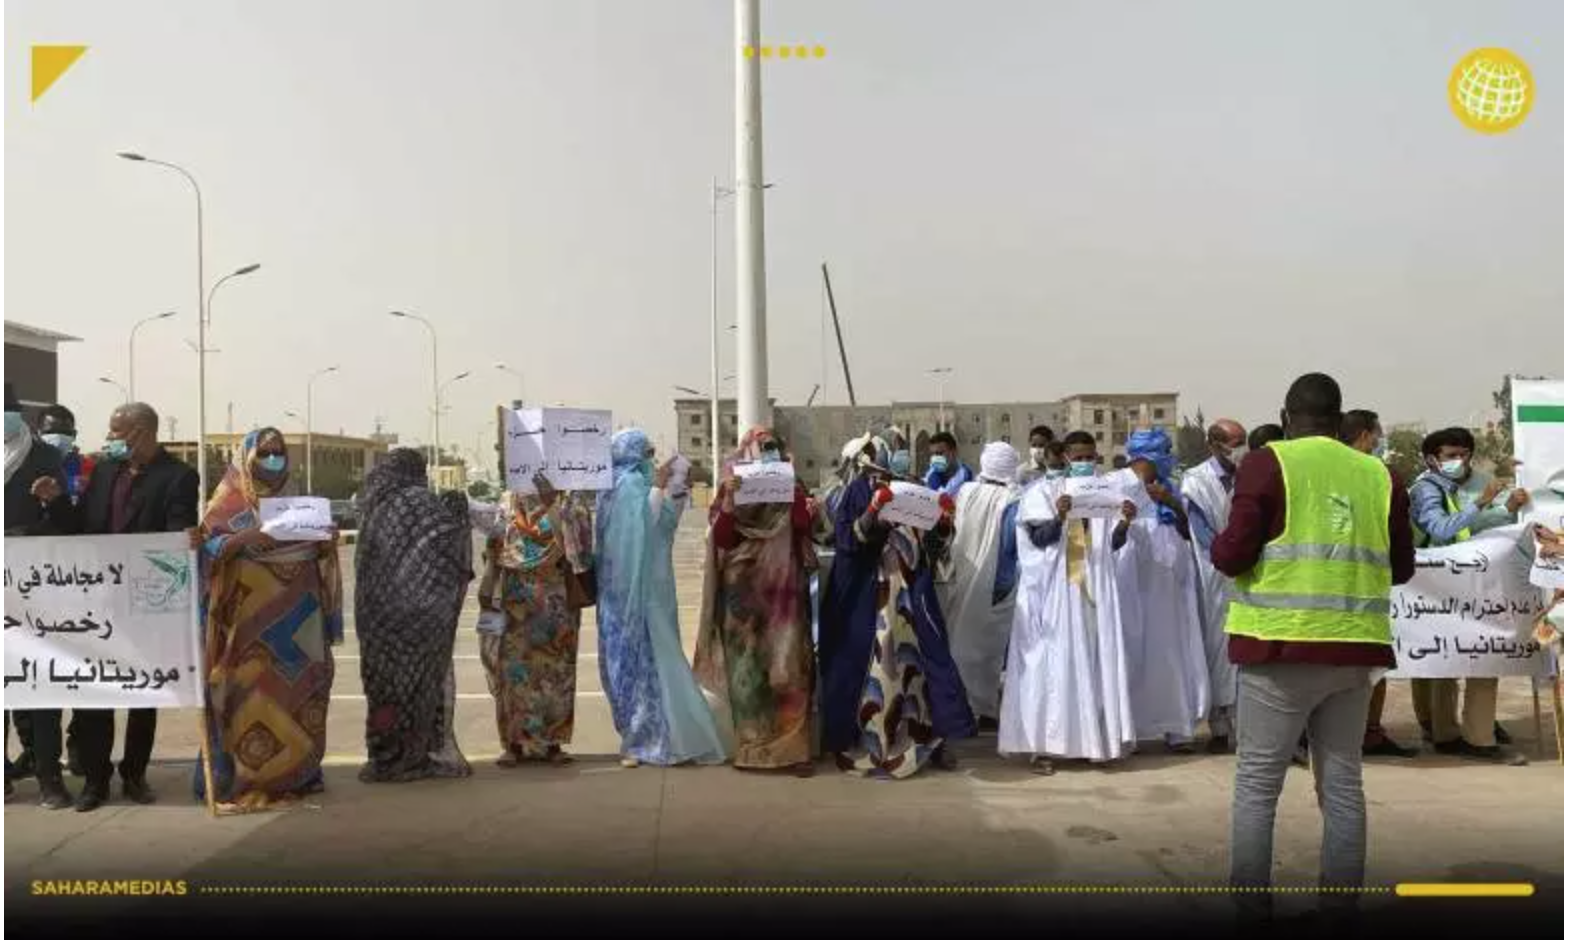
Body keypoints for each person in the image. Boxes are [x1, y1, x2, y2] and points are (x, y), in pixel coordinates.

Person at [1212, 372, 1415, 928]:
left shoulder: (1267, 462)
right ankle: (1339, 909)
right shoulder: (1380, 474)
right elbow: (1401, 567)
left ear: (1286, 415)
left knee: (1258, 781)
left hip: (1280, 645)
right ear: (1340, 416)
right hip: (1354, 650)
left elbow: (1232, 555)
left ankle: (1252, 912)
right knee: (1343, 780)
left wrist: (1217, 544)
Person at [193, 428, 343, 810]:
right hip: (245, 625)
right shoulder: (227, 503)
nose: (273, 460)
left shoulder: (297, 503)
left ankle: (298, 774)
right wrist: (240, 542)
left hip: (300, 622)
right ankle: (245, 776)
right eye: (265, 453)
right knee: (242, 692)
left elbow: (319, 552)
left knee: (301, 691)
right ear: (247, 457)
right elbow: (206, 548)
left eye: (279, 453)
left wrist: (327, 540)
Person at [63, 402, 199, 812]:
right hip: (97, 600)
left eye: (117, 431)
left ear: (141, 432)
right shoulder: (104, 471)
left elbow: (177, 529)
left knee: (144, 692)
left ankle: (134, 774)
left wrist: (186, 537)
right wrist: (55, 503)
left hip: (146, 601)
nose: (111, 439)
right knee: (95, 693)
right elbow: (81, 525)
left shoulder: (178, 477)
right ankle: (96, 780)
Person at [1000, 431, 1139, 775]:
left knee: (1094, 661)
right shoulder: (1044, 493)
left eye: (1089, 458)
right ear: (1065, 458)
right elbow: (1038, 540)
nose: (1084, 464)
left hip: (1096, 589)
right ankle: (1047, 745)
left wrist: (1124, 522)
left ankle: (1092, 742)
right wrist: (1059, 517)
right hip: (1059, 591)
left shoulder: (1105, 492)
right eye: (1077, 458)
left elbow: (1113, 545)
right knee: (1056, 665)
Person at [595, 429, 725, 768]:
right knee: (636, 665)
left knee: (663, 663)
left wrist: (677, 488)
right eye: (647, 452)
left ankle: (671, 737)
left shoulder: (632, 485)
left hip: (650, 591)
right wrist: (658, 485)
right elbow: (640, 524)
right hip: (630, 596)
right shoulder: (622, 486)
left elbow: (664, 524)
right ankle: (641, 738)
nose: (651, 460)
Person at [695, 427, 817, 776]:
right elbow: (722, 537)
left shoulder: (792, 488)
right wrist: (731, 502)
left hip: (783, 595)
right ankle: (752, 749)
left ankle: (794, 751)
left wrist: (794, 494)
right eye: (763, 448)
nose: (769, 454)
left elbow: (804, 525)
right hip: (743, 598)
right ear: (747, 453)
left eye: (774, 447)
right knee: (747, 675)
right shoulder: (729, 487)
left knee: (789, 669)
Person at [1407, 426, 1530, 766]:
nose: (1459, 461)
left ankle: (1471, 732)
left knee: (1475, 653)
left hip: (1475, 580)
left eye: (1463, 455)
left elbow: (1476, 526)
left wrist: (1506, 508)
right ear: (1432, 459)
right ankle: (1457, 735)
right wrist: (1483, 502)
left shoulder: (1475, 480)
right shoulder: (1425, 490)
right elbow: (1444, 528)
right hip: (1436, 584)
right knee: (1451, 658)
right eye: (1450, 456)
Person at [353, 448, 475, 782]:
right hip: (420, 621)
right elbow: (454, 548)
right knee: (416, 688)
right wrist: (457, 507)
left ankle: (383, 755)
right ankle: (412, 757)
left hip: (376, 620)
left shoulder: (373, 507)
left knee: (383, 690)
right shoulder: (426, 505)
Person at [476, 475, 594, 768]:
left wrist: (551, 503)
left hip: (556, 605)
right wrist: (487, 587)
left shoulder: (568, 504)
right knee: (513, 673)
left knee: (556, 674)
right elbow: (494, 550)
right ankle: (513, 744)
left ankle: (553, 743)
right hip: (516, 606)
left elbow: (577, 551)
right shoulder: (508, 504)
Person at [4, 385, 75, 808]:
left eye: (7, 412)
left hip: (35, 586)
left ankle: (50, 776)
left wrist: (54, 502)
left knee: (40, 681)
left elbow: (68, 521)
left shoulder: (47, 458)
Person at [1122, 429, 1210, 752]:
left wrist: (1168, 501)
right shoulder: (1120, 486)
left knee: (1172, 651)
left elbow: (1190, 532)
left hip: (1171, 582)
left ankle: (1177, 727)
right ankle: (1129, 727)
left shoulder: (1173, 489)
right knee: (1132, 647)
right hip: (1132, 578)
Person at [1339, 410, 1416, 759]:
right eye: (1378, 434)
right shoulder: (1383, 477)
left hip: (1324, 596)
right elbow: (1401, 541)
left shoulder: (1320, 473)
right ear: (1366, 436)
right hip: (1365, 593)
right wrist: (1399, 572)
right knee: (1371, 669)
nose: (1380, 440)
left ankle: (1356, 735)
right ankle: (1364, 734)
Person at [942, 441, 1024, 730]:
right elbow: (1012, 546)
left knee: (960, 643)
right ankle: (984, 708)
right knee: (988, 653)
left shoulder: (965, 491)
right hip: (997, 584)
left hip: (963, 576)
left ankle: (963, 707)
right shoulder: (1014, 498)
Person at [1181, 418, 1248, 754]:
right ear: (1214, 445)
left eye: (1243, 441)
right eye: (1234, 443)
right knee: (1215, 649)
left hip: (1247, 573)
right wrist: (1228, 556)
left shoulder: (1250, 475)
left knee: (1243, 650)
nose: (1240, 449)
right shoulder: (1195, 482)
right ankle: (1219, 726)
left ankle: (1244, 725)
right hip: (1213, 574)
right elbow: (1202, 534)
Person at [924, 431, 974, 499]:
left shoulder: (964, 475)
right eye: (933, 454)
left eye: (939, 453)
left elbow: (946, 498)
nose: (936, 458)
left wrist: (934, 486)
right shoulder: (933, 471)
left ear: (954, 451)